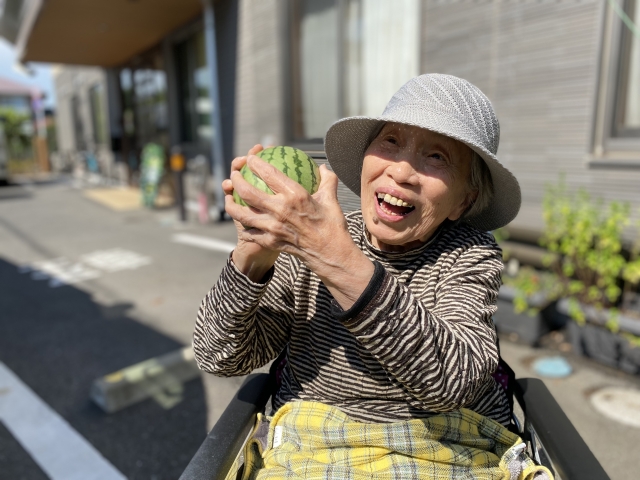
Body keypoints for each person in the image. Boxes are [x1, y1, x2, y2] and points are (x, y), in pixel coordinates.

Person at [193, 74, 544, 478]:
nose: (402, 171)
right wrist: (253, 257)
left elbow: (452, 382)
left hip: (442, 454)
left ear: (462, 202)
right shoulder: (308, 238)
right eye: (390, 141)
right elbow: (220, 355)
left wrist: (332, 256)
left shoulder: (466, 254)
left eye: (437, 157)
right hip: (312, 453)